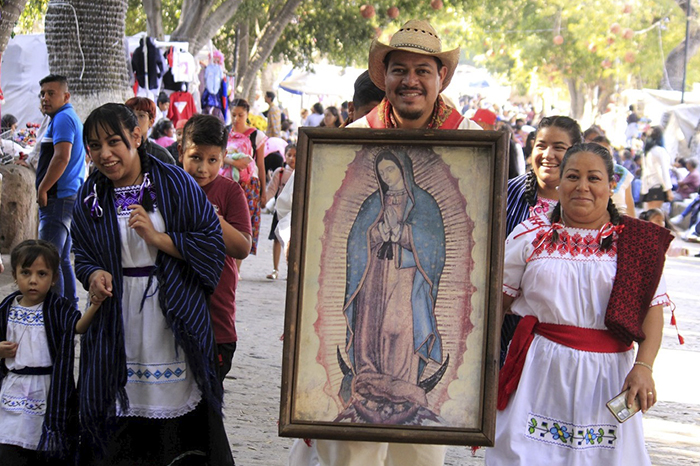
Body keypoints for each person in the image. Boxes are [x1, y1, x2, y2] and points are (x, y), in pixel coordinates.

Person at [305, 19, 478, 466]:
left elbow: (444, 245)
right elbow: (324, 236)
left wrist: (407, 240)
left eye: (423, 70)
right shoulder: (349, 141)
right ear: (385, 77)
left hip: (409, 282)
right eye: (400, 69)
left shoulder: (474, 145)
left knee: (418, 454)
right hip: (376, 282)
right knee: (353, 454)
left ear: (441, 76)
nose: (410, 80)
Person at [488, 143, 671, 465]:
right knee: (526, 455)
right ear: (560, 182)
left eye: (593, 178)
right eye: (573, 176)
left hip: (609, 376)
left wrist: (644, 368)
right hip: (539, 371)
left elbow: (652, 312)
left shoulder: (636, 243)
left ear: (611, 185)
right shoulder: (531, 236)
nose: (582, 186)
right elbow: (494, 306)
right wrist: (483, 366)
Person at [71, 103, 233, 465]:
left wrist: (158, 238)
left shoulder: (174, 183)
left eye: (113, 141)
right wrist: (94, 274)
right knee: (116, 418)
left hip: (170, 319)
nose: (105, 154)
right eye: (95, 146)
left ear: (136, 137)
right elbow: (82, 252)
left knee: (173, 428)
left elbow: (211, 243)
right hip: (116, 321)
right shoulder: (90, 196)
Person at [0, 240, 100, 463]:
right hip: (13, 388)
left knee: (43, 446)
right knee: (9, 446)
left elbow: (77, 327)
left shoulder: (58, 307)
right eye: (26, 273)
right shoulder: (7, 307)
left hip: (47, 390)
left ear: (54, 278)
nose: (33, 280)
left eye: (42, 274)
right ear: (15, 275)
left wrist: (94, 305)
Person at [500, 116, 582, 365]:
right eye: (541, 145)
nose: (548, 155)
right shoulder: (503, 194)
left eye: (559, 147)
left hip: (565, 342)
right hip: (504, 332)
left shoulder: (587, 204)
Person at [178, 114, 253, 383]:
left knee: (207, 397)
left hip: (215, 321)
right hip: (173, 317)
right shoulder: (169, 189)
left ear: (223, 159)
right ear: (181, 153)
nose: (203, 169)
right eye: (195, 157)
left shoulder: (230, 192)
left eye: (212, 160)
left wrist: (213, 219)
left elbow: (243, 247)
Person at [35, 74, 85, 307]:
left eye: (51, 93)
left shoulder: (64, 118)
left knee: (48, 261)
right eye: (42, 94)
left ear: (66, 96)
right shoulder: (64, 117)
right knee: (61, 259)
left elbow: (62, 157)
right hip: (65, 198)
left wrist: (43, 188)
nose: (45, 98)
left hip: (58, 199)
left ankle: (55, 314)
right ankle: (69, 309)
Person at [229, 98, 267, 273]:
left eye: (240, 115)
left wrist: (264, 192)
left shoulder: (256, 136)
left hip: (250, 186)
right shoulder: (225, 133)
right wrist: (232, 162)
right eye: (233, 115)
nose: (236, 119)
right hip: (228, 182)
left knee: (244, 226)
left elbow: (261, 165)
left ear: (247, 115)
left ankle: (236, 270)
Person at [265, 144, 295, 280]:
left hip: (294, 212)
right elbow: (271, 189)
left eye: (295, 155)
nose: (292, 158)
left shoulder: (303, 171)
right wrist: (263, 201)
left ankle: (291, 269)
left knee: (292, 240)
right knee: (277, 238)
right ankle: (275, 268)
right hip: (280, 211)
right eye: (289, 155)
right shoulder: (281, 172)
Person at [124, 97, 176, 165]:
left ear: (151, 122)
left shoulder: (162, 157)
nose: (134, 120)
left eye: (141, 116)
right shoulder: (117, 151)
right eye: (130, 115)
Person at [640, 126, 673, 209]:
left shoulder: (646, 153)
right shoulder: (660, 151)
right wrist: (668, 190)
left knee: (650, 214)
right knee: (656, 214)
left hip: (648, 187)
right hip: (657, 187)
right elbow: (663, 171)